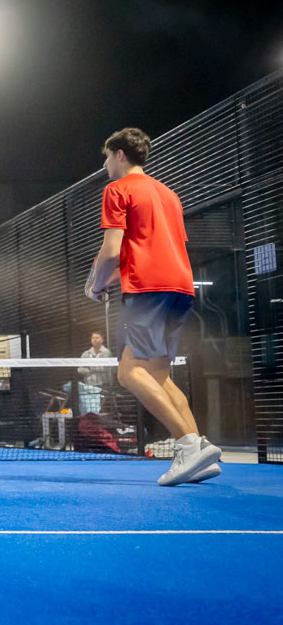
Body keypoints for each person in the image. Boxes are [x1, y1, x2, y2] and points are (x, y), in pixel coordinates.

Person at [86, 127, 220, 485]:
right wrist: (109, 278)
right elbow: (153, 247)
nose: (105, 164)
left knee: (128, 372)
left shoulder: (117, 189)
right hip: (181, 288)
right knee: (158, 375)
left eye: (106, 157)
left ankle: (187, 444)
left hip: (147, 290)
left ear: (119, 154)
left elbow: (111, 251)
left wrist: (96, 286)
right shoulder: (169, 194)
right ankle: (200, 449)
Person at [75, 331, 114, 416]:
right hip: (89, 385)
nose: (95, 339)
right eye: (93, 338)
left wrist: (89, 367)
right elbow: (79, 369)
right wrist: (89, 370)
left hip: (103, 385)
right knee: (89, 408)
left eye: (97, 337)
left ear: (102, 340)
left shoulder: (106, 352)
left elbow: (104, 367)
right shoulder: (86, 354)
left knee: (102, 409)